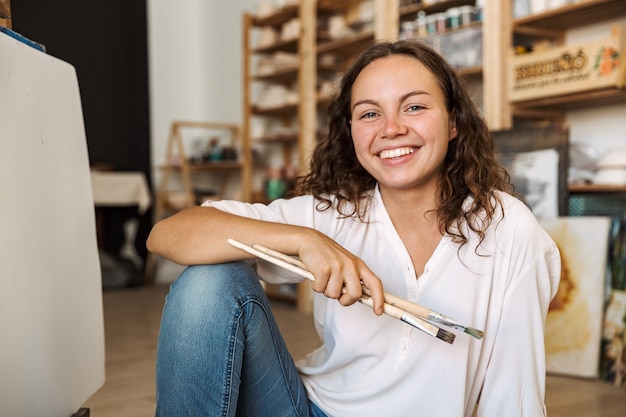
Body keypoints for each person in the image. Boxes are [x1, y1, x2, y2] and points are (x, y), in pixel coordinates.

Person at [147, 40, 561, 417]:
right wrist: (307, 240)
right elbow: (167, 234)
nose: (391, 128)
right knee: (211, 278)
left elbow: (514, 394)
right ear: (351, 132)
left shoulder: (507, 229)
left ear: (454, 123)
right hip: (308, 410)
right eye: (369, 114)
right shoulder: (331, 214)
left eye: (414, 107)